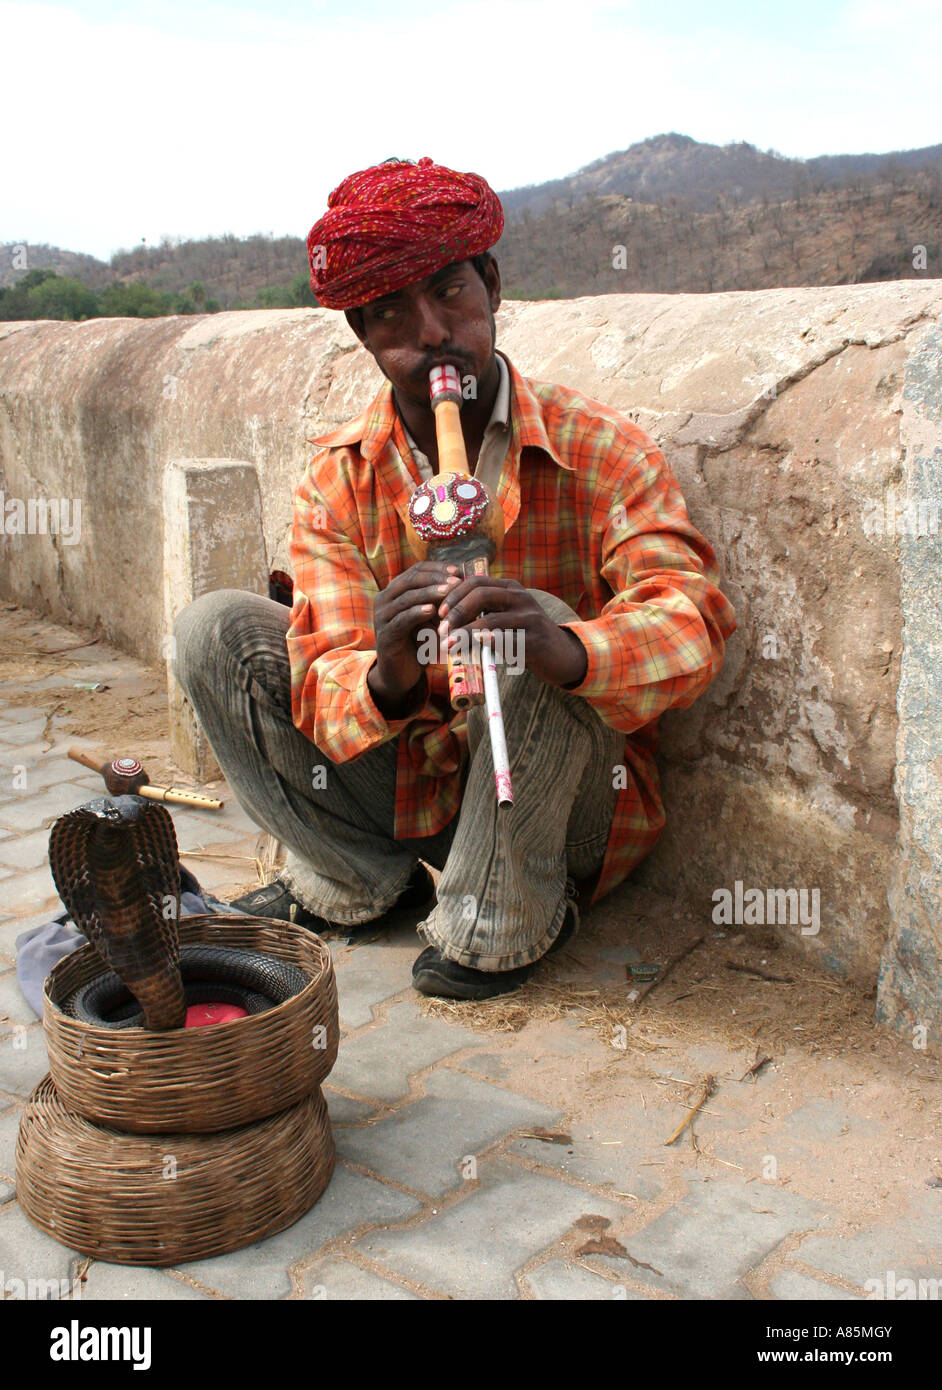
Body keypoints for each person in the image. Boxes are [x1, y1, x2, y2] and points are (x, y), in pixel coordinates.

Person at [172, 156, 736, 1002]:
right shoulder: (338, 480)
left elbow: (690, 619)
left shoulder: (598, 447)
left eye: (451, 295)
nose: (431, 333)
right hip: (413, 778)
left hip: (558, 797)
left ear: (493, 287)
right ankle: (359, 878)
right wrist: (388, 673)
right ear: (364, 333)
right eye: (393, 314)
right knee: (212, 630)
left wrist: (568, 645)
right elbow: (321, 684)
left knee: (529, 620)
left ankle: (499, 919)